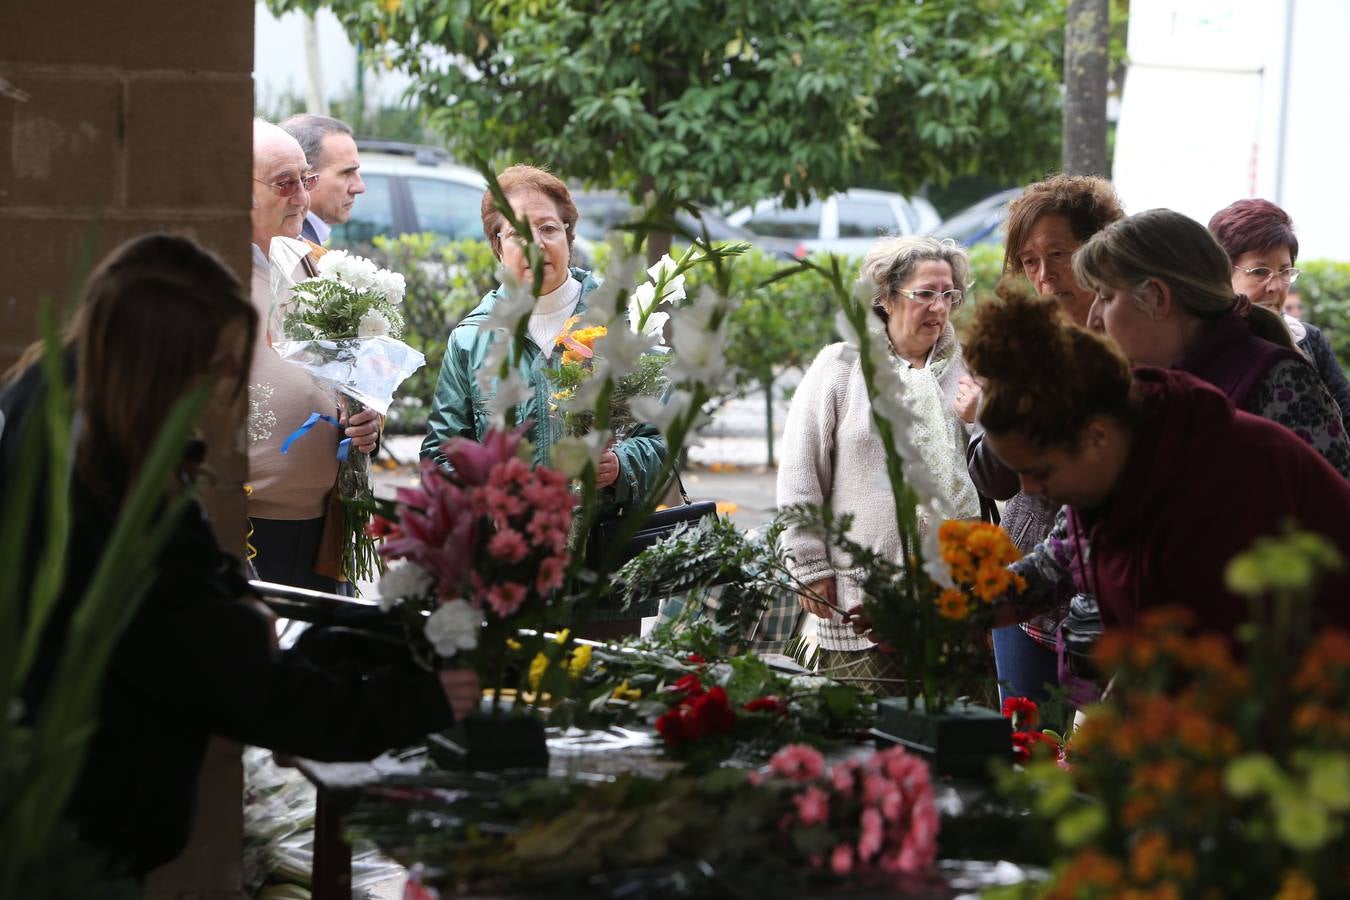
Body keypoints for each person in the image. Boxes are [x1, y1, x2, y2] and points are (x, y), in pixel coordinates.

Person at [5, 233, 479, 879]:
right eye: (216, 362)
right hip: (65, 831)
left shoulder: (55, 395)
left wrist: (351, 639)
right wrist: (424, 702)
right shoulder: (101, 474)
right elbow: (229, 674)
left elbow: (203, 594)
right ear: (161, 360)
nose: (227, 381)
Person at [962, 290, 1350, 640]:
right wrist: (955, 614)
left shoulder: (1220, 469)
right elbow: (1054, 565)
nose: (1028, 489)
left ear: (1096, 436)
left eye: (1040, 471)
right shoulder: (1118, 462)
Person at [421, 164, 667, 633]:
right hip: (507, 575)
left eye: (548, 228)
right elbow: (440, 455)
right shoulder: (472, 339)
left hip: (603, 574)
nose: (536, 245)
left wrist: (620, 466)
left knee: (598, 700)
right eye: (517, 234)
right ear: (498, 248)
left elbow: (661, 439)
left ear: (569, 237)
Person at [778, 237, 981, 695]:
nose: (939, 307)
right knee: (866, 740)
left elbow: (996, 468)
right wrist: (809, 565)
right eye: (925, 293)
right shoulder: (841, 366)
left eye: (949, 295)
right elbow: (800, 472)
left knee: (954, 741)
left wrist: (985, 416)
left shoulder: (971, 367)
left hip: (958, 598)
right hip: (862, 599)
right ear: (885, 298)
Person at [961, 174, 1125, 706]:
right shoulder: (1022, 346)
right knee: (1028, 748)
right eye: (1030, 261)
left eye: (1059, 253)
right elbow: (998, 478)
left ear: (1100, 251)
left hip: (1107, 598)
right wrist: (995, 413)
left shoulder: (1137, 350)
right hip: (1028, 576)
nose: (1045, 274)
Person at [1079, 208, 1350, 478]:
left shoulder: (1280, 384)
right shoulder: (1128, 387)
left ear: (1158, 297)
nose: (1093, 321)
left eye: (1106, 298)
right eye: (1259, 271)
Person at [246, 119, 381, 592]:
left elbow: (346, 375)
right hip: (249, 526)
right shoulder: (215, 274)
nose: (302, 197)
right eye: (285, 183)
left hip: (322, 521)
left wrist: (366, 419)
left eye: (306, 180)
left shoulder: (311, 261)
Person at [1208, 198, 1350, 430]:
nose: (1275, 286)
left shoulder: (1307, 340)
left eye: (1285, 271)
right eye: (1259, 272)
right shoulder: (1200, 341)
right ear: (1222, 271)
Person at [281, 113, 366, 245]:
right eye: (346, 172)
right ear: (303, 176)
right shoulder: (292, 244)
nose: (360, 187)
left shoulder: (301, 236)